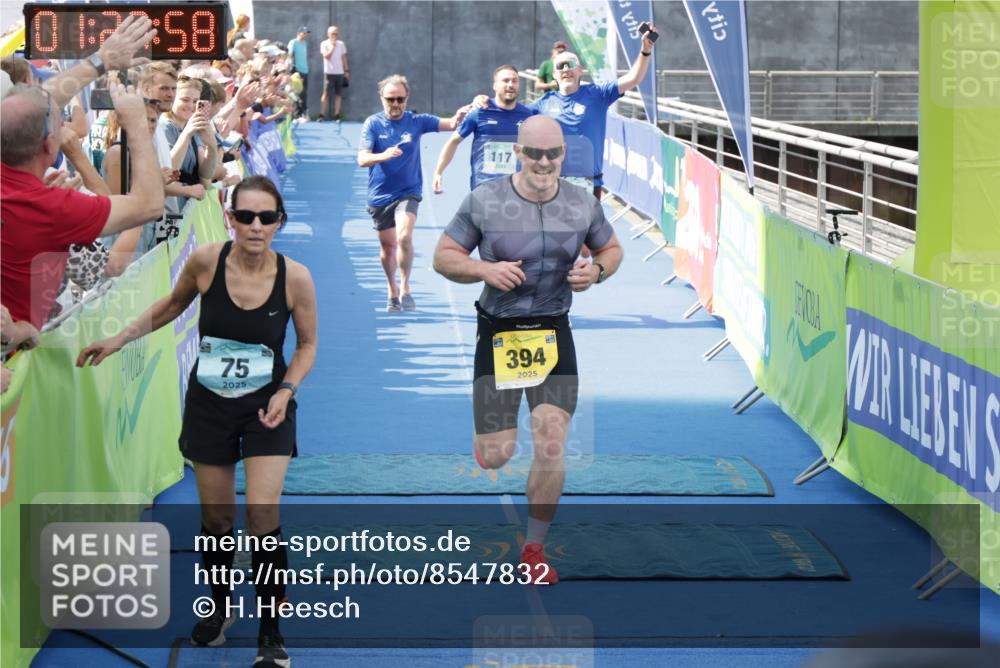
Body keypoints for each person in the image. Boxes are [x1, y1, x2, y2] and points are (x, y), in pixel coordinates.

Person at [78, 175, 318, 668]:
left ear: (279, 222)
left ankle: (271, 633)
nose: (255, 226)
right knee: (217, 519)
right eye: (245, 216)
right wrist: (118, 339)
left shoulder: (295, 277)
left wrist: (287, 389)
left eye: (266, 217)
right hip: (210, 406)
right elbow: (172, 304)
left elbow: (309, 344)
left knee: (262, 516)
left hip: (266, 409)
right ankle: (221, 604)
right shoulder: (207, 261)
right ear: (229, 217)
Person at [432, 116, 623, 584]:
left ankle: (534, 549)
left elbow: (613, 249)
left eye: (552, 153)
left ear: (563, 154)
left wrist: (597, 271)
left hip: (552, 331)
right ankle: (488, 444)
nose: (543, 162)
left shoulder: (582, 203)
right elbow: (443, 257)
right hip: (499, 332)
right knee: (498, 454)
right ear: (518, 152)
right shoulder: (485, 200)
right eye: (533, 153)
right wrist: (483, 271)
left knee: (551, 435)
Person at [2, 24, 165, 327]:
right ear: (51, 145)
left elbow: (34, 106)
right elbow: (150, 205)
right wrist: (137, 126)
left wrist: (101, 60)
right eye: (58, 123)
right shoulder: (51, 207)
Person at [357, 74, 469, 312]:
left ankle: (406, 287)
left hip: (408, 192)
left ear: (407, 99)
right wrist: (383, 155)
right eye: (390, 99)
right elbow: (362, 159)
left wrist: (458, 117)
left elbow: (449, 124)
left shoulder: (416, 121)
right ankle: (392, 288)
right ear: (382, 99)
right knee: (387, 248)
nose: (396, 104)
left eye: (400, 99)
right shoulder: (373, 124)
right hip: (380, 196)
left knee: (404, 236)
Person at [532, 28, 657, 199]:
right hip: (552, 184)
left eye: (571, 65)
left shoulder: (598, 94)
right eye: (561, 66)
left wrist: (645, 50)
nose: (566, 70)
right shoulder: (542, 104)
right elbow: (510, 113)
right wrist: (483, 101)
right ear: (554, 74)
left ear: (580, 70)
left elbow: (634, 78)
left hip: (589, 185)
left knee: (585, 226)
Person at [432, 64, 537, 193]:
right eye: (505, 80)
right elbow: (453, 141)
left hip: (516, 189)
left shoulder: (528, 115)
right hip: (484, 186)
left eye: (514, 81)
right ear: (495, 86)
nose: (510, 85)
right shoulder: (480, 112)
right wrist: (438, 172)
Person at [319, 26, 348, 120]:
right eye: (332, 34)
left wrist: (346, 70)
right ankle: (322, 113)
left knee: (338, 94)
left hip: (339, 72)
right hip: (329, 72)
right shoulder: (324, 44)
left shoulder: (341, 44)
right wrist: (332, 47)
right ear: (328, 34)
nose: (334, 36)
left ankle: (337, 114)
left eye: (336, 34)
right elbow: (326, 56)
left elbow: (343, 57)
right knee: (326, 93)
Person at [287, 26, 310, 119]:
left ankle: (303, 113)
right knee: (297, 92)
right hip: (297, 71)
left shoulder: (304, 43)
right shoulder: (293, 42)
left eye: (306, 33)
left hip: (305, 70)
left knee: (304, 93)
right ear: (298, 33)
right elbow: (290, 55)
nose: (305, 35)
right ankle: (296, 114)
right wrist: (292, 69)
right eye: (303, 33)